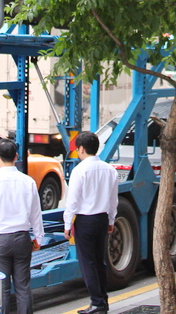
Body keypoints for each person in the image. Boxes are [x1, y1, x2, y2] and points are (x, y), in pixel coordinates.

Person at [63, 131, 118, 314]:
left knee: (88, 263)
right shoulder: (109, 170)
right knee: (100, 261)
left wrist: (67, 224)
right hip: (102, 218)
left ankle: (97, 303)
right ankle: (103, 301)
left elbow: (72, 201)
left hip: (85, 221)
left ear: (81, 149)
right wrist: (111, 219)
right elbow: (113, 199)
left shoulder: (80, 170)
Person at [0, 139, 44, 314]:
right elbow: (36, 212)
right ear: (16, 156)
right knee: (23, 286)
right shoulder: (28, 181)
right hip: (22, 239)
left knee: (2, 288)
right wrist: (38, 238)